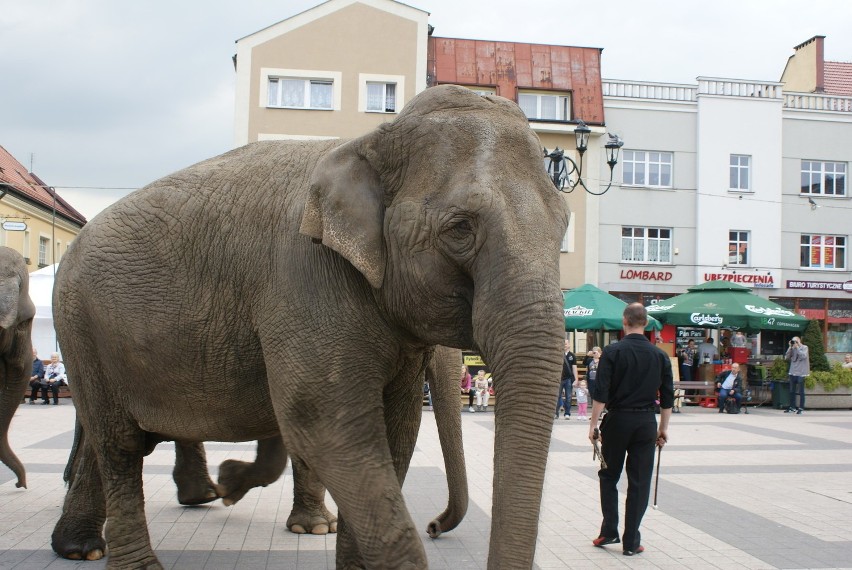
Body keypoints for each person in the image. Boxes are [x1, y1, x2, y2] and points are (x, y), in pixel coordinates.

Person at [588, 303, 673, 557]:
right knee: (639, 481)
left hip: (617, 420)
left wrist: (593, 425)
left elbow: (601, 394)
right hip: (646, 422)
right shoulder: (660, 356)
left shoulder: (612, 352)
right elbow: (667, 397)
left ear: (624, 322)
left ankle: (609, 529)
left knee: (608, 475)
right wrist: (663, 429)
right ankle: (631, 541)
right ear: (645, 323)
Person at [784, 336, 810, 414]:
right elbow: (787, 357)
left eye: (795, 341)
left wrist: (797, 347)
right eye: (793, 341)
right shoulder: (792, 348)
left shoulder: (804, 347)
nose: (794, 343)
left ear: (799, 341)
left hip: (801, 372)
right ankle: (792, 407)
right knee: (792, 390)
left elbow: (803, 356)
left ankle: (801, 408)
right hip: (793, 371)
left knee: (801, 391)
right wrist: (790, 347)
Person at [555, 339, 578, 420]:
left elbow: (574, 368)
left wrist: (576, 379)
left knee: (568, 397)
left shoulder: (572, 355)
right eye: (563, 343)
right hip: (559, 379)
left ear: (569, 345)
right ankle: (556, 413)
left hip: (568, 379)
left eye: (565, 343)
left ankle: (567, 413)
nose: (564, 345)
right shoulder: (558, 354)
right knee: (557, 396)